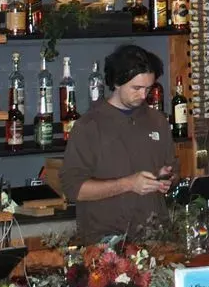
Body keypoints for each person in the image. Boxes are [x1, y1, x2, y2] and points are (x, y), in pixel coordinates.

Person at [59, 44, 172, 242]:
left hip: (155, 237)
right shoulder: (89, 126)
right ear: (117, 83)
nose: (143, 95)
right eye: (136, 88)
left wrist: (166, 178)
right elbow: (73, 189)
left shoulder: (158, 121)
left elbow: (172, 168)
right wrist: (128, 184)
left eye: (148, 88)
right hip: (105, 244)